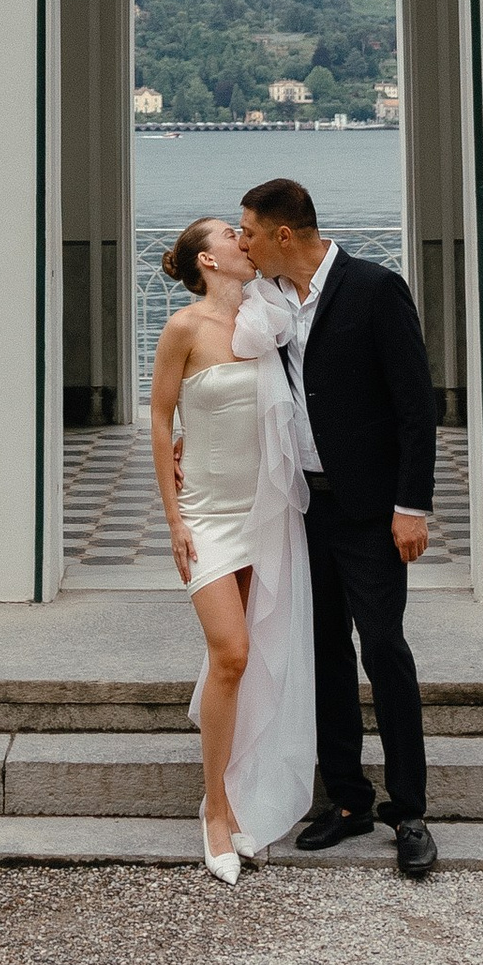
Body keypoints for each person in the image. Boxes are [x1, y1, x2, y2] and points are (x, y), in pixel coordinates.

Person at [240, 174, 440, 881]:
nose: (243, 244)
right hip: (303, 508)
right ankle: (348, 799)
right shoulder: (266, 300)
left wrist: (411, 506)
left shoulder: (375, 289)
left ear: (282, 234)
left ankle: (409, 811)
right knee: (322, 653)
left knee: (383, 649)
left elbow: (417, 405)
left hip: (372, 511)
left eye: (250, 233)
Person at [147, 216, 316, 883]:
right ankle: (214, 811)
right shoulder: (183, 328)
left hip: (263, 513)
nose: (241, 241)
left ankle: (240, 795)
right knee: (232, 652)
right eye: (227, 234)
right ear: (206, 260)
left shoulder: (267, 317)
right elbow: (160, 418)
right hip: (206, 516)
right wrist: (173, 520)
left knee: (248, 657)